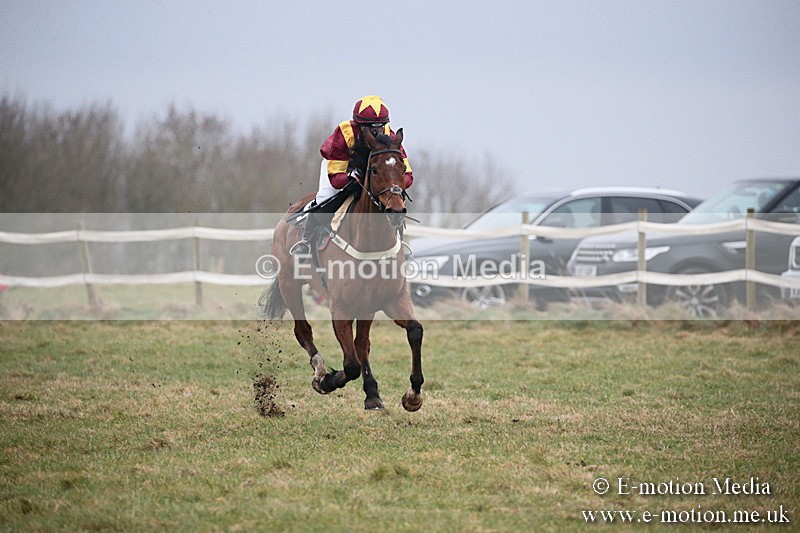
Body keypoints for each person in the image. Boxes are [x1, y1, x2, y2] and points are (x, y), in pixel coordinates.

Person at [290, 95, 413, 259]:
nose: (376, 132)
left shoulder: (390, 137)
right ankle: (306, 240)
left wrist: (392, 186)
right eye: (370, 128)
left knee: (396, 202)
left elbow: (408, 176)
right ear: (359, 126)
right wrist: (351, 177)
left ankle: (399, 244)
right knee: (326, 197)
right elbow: (335, 178)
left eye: (380, 126)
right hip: (341, 167)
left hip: (375, 171)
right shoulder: (345, 132)